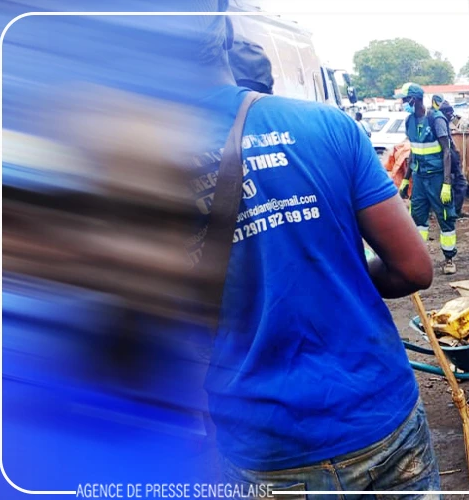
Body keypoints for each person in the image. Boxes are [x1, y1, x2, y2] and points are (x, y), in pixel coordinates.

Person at [191, 5, 440, 496]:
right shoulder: (329, 126)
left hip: (266, 447)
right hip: (378, 420)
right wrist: (336, 270)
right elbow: (413, 268)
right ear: (224, 27)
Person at [397, 84, 458, 275]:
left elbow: (447, 151)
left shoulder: (436, 119)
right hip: (419, 178)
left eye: (405, 99)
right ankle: (420, 258)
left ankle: (449, 259)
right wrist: (406, 180)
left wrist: (447, 183)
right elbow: (414, 152)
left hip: (438, 178)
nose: (403, 103)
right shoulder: (409, 121)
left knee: (445, 217)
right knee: (417, 219)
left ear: (414, 99)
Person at [436, 97, 469, 218]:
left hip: (451, 159)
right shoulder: (439, 121)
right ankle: (453, 212)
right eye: (449, 112)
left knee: (459, 184)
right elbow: (446, 146)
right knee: (458, 184)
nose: (451, 115)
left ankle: (455, 210)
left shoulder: (444, 122)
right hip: (447, 160)